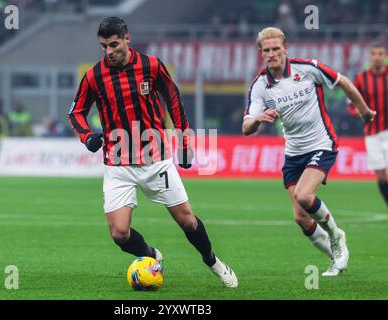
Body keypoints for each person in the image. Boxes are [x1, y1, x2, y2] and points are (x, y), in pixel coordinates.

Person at [68, 17, 238, 288]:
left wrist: (184, 142)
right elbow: (76, 111)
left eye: (113, 44)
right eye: (104, 47)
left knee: (188, 222)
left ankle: (213, 261)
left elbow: (174, 101)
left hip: (155, 160)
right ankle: (151, 256)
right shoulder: (94, 76)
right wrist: (87, 136)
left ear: (127, 39)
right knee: (120, 234)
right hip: (118, 163)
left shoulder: (152, 66)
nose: (109, 52)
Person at [242, 27, 376, 276]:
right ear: (261, 53)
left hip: (321, 143)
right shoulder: (260, 85)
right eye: (267, 50)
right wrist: (258, 119)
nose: (272, 54)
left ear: (285, 49)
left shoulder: (308, 69)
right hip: (293, 152)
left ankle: (336, 235)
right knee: (301, 218)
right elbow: (246, 126)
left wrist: (365, 111)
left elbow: (343, 81)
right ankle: (336, 258)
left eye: (276, 49)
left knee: (304, 196)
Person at [346, 43, 388, 207]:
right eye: (374, 54)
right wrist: (355, 111)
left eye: (380, 54)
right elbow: (350, 102)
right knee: (381, 175)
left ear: (385, 57)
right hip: (372, 133)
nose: (377, 57)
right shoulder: (361, 79)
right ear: (370, 57)